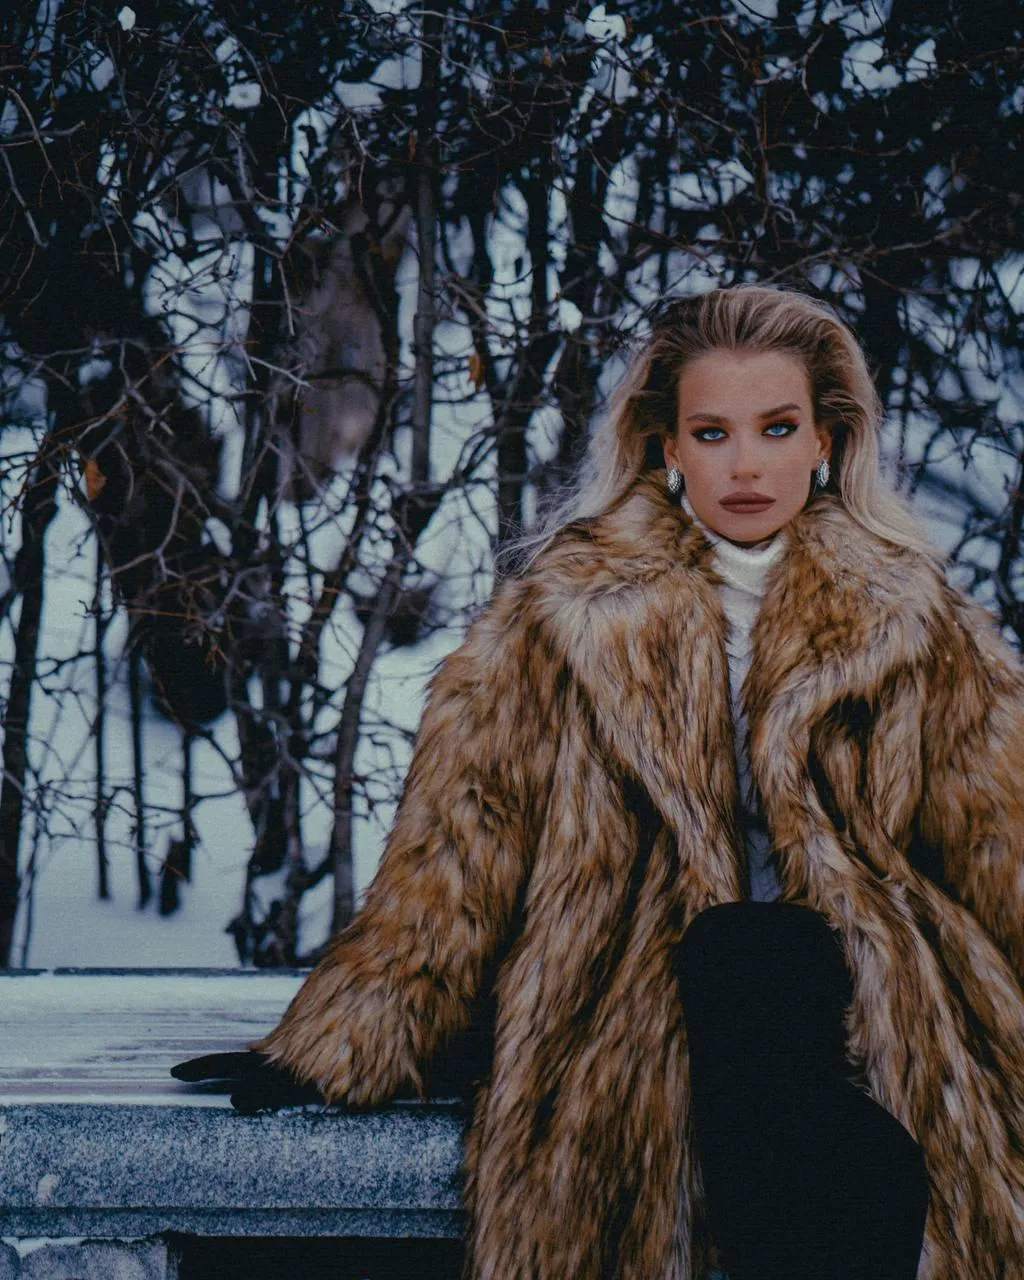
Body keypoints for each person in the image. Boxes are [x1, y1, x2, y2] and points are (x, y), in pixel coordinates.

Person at [174, 285, 1024, 1280]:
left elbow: (1000, 837)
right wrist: (337, 1041)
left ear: (827, 439)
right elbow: (463, 844)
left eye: (776, 427)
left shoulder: (918, 617)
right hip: (633, 984)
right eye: (711, 431)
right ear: (666, 446)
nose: (745, 463)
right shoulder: (562, 615)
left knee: (772, 960)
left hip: (867, 988)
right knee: (740, 962)